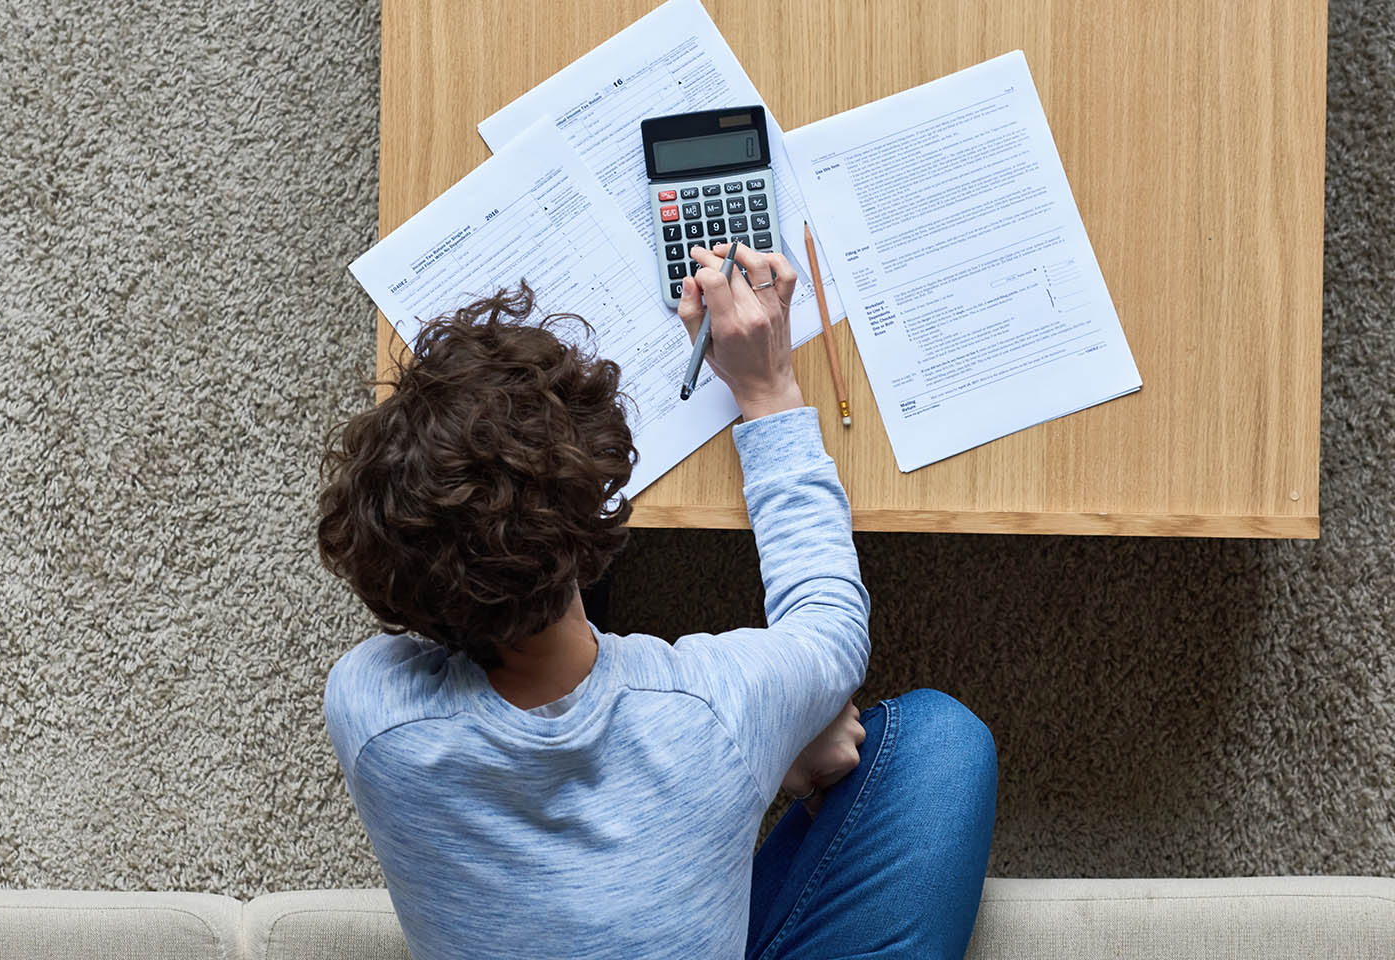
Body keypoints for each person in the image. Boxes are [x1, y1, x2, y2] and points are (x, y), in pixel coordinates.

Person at [316, 242, 997, 959]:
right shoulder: (714, 707)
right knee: (941, 740)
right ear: (595, 526)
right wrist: (769, 395)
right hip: (717, 738)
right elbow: (829, 628)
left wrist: (775, 736)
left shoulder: (369, 710)